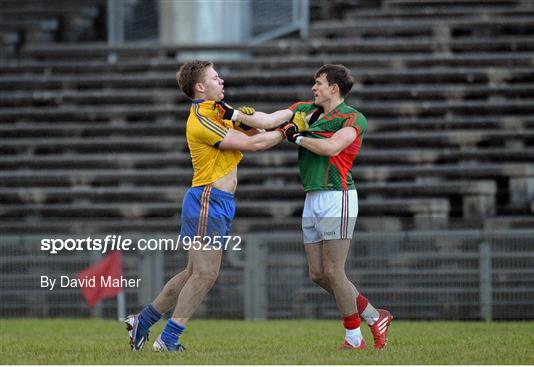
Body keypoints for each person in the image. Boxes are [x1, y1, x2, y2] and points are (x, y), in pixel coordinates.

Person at [124, 60, 303, 352]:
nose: (221, 81)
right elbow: (255, 144)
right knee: (206, 274)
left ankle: (142, 322)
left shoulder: (220, 111)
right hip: (207, 200)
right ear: (200, 87)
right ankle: (168, 339)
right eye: (215, 77)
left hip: (217, 202)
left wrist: (300, 110)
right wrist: (288, 131)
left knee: (193, 273)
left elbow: (265, 122)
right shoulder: (201, 120)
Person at [240, 64, 393, 350]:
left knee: (335, 271)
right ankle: (375, 316)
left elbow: (333, 147)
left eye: (319, 83)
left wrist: (295, 136)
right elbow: (270, 118)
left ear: (334, 88)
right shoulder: (305, 109)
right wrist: (232, 113)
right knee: (318, 274)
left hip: (338, 195)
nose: (314, 88)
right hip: (312, 197)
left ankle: (354, 337)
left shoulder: (353, 118)